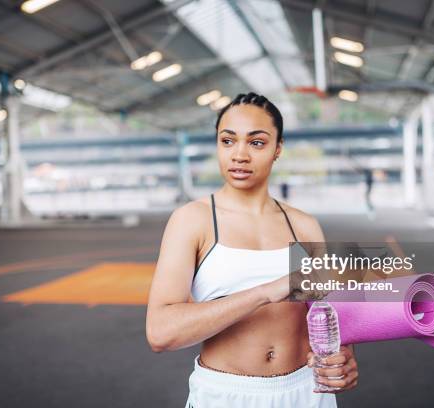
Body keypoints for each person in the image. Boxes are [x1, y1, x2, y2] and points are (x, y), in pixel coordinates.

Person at [146, 92, 358, 407]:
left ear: (278, 149)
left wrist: (344, 361)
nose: (240, 155)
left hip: (307, 390)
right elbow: (161, 333)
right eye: (228, 141)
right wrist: (266, 291)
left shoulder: (304, 226)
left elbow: (329, 314)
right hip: (226, 394)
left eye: (256, 143)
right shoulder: (193, 220)